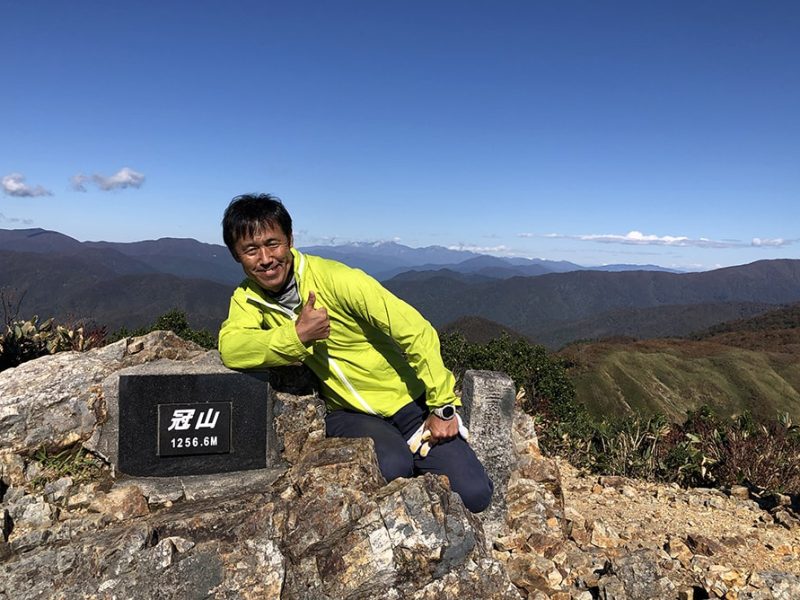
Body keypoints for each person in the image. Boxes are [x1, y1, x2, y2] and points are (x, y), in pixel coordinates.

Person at [218, 193, 493, 513]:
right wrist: (296, 336)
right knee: (392, 466)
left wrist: (442, 405)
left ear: (290, 239)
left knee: (474, 493)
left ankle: (425, 459)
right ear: (237, 255)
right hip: (346, 413)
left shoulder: (338, 280)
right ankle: (413, 464)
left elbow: (416, 331)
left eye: (273, 244)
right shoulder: (248, 298)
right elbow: (232, 347)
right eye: (251, 250)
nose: (265, 258)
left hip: (408, 405)